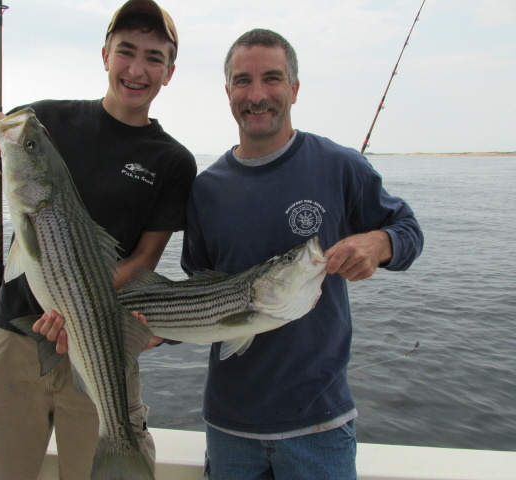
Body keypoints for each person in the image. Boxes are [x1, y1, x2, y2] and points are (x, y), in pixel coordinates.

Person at [0, 1, 196, 479]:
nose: (137, 69)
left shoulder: (173, 161)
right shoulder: (43, 123)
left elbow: (144, 258)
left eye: (154, 57)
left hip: (100, 342)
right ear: (104, 56)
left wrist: (75, 307)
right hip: (13, 344)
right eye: (126, 52)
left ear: (170, 71)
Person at [180, 29, 424, 480]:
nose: (257, 95)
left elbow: (408, 231)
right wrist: (147, 329)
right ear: (228, 92)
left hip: (320, 425)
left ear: (294, 89)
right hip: (228, 427)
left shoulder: (340, 164)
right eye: (242, 81)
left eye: (272, 79)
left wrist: (379, 244)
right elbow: (199, 293)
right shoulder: (205, 190)